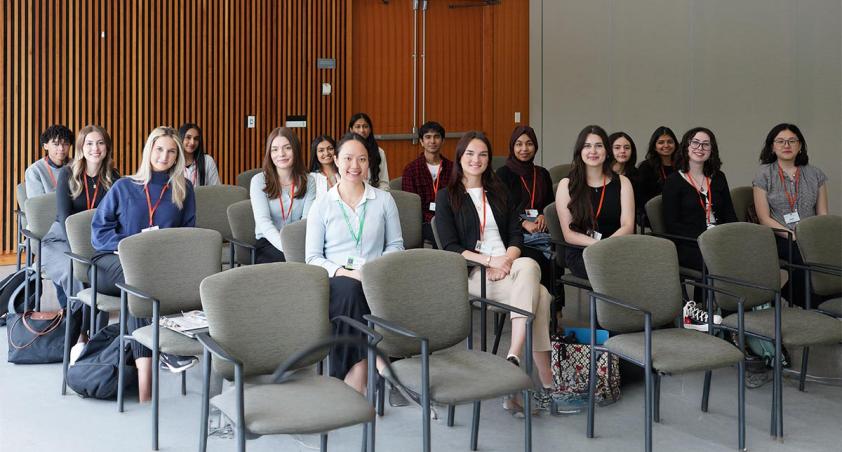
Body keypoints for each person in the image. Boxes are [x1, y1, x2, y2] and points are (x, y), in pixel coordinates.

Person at [435, 131, 555, 413]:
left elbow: (516, 236)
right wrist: (490, 262)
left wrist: (507, 261)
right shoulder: (446, 197)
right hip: (475, 274)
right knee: (542, 296)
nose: (477, 160)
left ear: (490, 159)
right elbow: (451, 248)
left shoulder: (500, 191)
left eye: (483, 154)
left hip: (511, 268)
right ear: (460, 158)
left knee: (529, 265)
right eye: (470, 154)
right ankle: (546, 383)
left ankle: (512, 359)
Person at [91, 126, 196, 403]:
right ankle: (164, 352)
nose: (164, 156)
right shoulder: (124, 186)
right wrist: (133, 245)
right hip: (112, 262)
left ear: (178, 157)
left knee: (143, 282)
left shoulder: (183, 189)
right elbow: (98, 232)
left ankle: (146, 390)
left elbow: (188, 235)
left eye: (172, 151)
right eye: (159, 149)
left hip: (157, 268)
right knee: (138, 276)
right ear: (149, 149)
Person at [305, 132, 404, 393]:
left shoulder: (383, 201)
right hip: (334, 281)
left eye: (361, 159)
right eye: (348, 158)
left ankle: (350, 382)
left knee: (359, 291)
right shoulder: (322, 204)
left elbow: (396, 245)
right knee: (350, 290)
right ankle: (379, 364)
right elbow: (312, 257)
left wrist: (372, 271)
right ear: (336, 160)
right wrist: (343, 271)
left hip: (374, 278)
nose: (354, 166)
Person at [42, 125, 119, 340]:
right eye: (90, 143)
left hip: (96, 241)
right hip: (61, 239)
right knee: (74, 270)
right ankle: (79, 333)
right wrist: (83, 252)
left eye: (101, 143)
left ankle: (97, 335)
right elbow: (65, 217)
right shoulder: (68, 173)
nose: (95, 148)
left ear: (107, 147)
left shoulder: (114, 177)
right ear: (81, 148)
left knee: (101, 273)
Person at [753, 123, 829, 308]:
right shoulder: (764, 175)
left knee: (831, 253)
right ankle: (815, 307)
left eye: (792, 141)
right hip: (780, 235)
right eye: (780, 141)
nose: (786, 145)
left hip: (811, 234)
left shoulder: (815, 174)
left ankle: (828, 300)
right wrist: (793, 235)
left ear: (800, 145)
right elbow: (764, 218)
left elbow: (823, 214)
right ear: (772, 146)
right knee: (802, 257)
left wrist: (815, 236)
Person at [663, 127, 737, 308]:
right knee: (712, 261)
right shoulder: (674, 181)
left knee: (741, 257)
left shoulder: (719, 177)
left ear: (712, 150)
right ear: (686, 147)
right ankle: (706, 312)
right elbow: (672, 224)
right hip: (689, 243)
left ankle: (734, 318)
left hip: (719, 240)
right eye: (695, 143)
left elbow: (730, 215)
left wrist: (726, 236)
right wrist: (704, 237)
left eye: (706, 144)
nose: (700, 148)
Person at [555, 125, 635, 279]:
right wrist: (599, 246)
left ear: (607, 151)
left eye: (599, 146)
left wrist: (608, 246)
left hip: (616, 247)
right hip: (582, 252)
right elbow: (569, 234)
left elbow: (628, 226)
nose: (593, 151)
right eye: (587, 146)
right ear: (580, 151)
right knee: (616, 272)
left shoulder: (623, 182)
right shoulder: (567, 185)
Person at [495, 125, 554, 290]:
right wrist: (523, 223)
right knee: (537, 257)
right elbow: (500, 209)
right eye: (519, 144)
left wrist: (544, 215)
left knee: (555, 255)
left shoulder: (542, 173)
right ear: (512, 146)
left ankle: (554, 308)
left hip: (541, 231)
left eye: (529, 144)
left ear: (535, 146)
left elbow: (550, 204)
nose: (524, 149)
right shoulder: (503, 174)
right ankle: (534, 305)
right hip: (515, 233)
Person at [250, 127, 315, 263]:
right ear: (269, 153)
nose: (281, 154)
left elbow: (306, 220)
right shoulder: (259, 181)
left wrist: (296, 247)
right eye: (275, 149)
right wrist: (288, 248)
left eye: (287, 148)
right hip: (269, 242)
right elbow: (264, 223)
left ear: (295, 150)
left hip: (299, 241)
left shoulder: (309, 181)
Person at [401, 121, 453, 246]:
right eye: (428, 137)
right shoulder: (411, 169)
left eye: (437, 137)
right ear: (421, 142)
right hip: (423, 222)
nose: (432, 141)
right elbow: (411, 207)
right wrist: (434, 219)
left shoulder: (453, 168)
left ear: (443, 140)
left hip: (449, 218)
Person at [25, 125, 73, 196]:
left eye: (65, 144)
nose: (61, 148)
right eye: (56, 144)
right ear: (46, 146)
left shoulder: (77, 165)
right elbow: (36, 203)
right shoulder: (34, 170)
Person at [637, 126, 679, 206]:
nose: (666, 145)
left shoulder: (682, 166)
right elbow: (641, 196)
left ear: (675, 145)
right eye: (661, 142)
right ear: (654, 147)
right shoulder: (646, 167)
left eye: (670, 142)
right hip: (655, 213)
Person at [349, 113, 390, 190]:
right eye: (358, 127)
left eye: (365, 126)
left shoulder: (379, 152)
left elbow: (384, 183)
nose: (362, 130)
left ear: (370, 129)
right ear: (351, 130)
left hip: (374, 196)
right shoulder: (344, 152)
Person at [608, 131, 642, 210]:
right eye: (617, 147)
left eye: (627, 148)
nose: (623, 151)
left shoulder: (637, 175)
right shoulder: (601, 174)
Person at [308, 134, 339, 202]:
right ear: (315, 154)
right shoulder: (311, 177)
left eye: (330, 149)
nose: (326, 153)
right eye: (321, 150)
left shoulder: (344, 173)